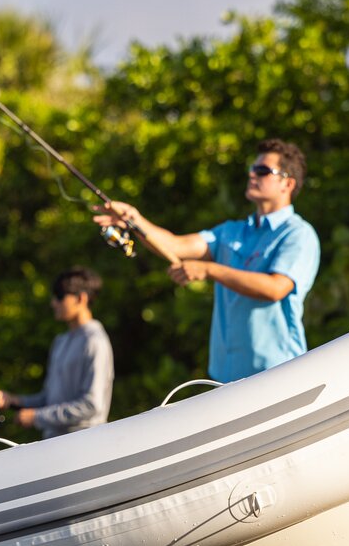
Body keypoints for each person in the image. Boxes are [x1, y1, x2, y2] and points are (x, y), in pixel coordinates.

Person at [93, 139, 319, 382]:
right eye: (252, 169)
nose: (252, 175)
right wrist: (133, 219)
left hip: (278, 374)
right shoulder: (231, 231)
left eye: (262, 171)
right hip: (224, 380)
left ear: (287, 183)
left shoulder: (298, 234)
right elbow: (175, 246)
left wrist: (209, 270)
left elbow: (276, 288)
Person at [0, 268, 115, 438]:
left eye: (60, 296)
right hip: (52, 445)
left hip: (84, 446)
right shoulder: (60, 341)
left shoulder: (95, 341)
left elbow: (92, 405)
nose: (53, 303)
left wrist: (37, 417)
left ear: (81, 298)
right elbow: (50, 399)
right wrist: (15, 401)